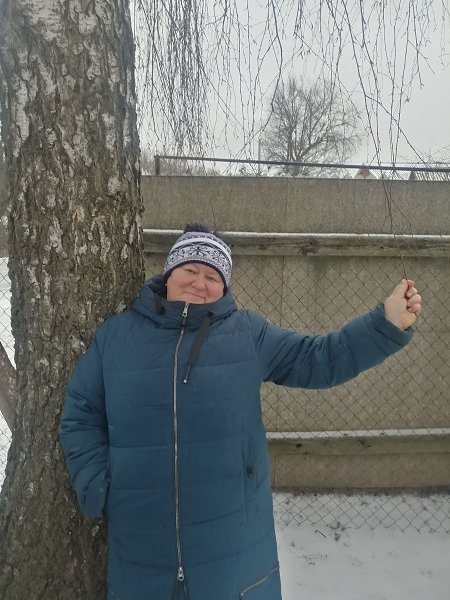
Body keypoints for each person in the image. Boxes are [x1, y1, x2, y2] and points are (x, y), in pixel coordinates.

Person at [60, 223, 422, 600]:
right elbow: (81, 413)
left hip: (232, 542)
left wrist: (385, 325)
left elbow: (319, 358)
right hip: (141, 541)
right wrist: (99, 485)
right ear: (169, 273)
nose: (199, 283)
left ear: (224, 287)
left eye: (212, 276)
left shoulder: (248, 333)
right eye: (190, 269)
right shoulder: (117, 336)